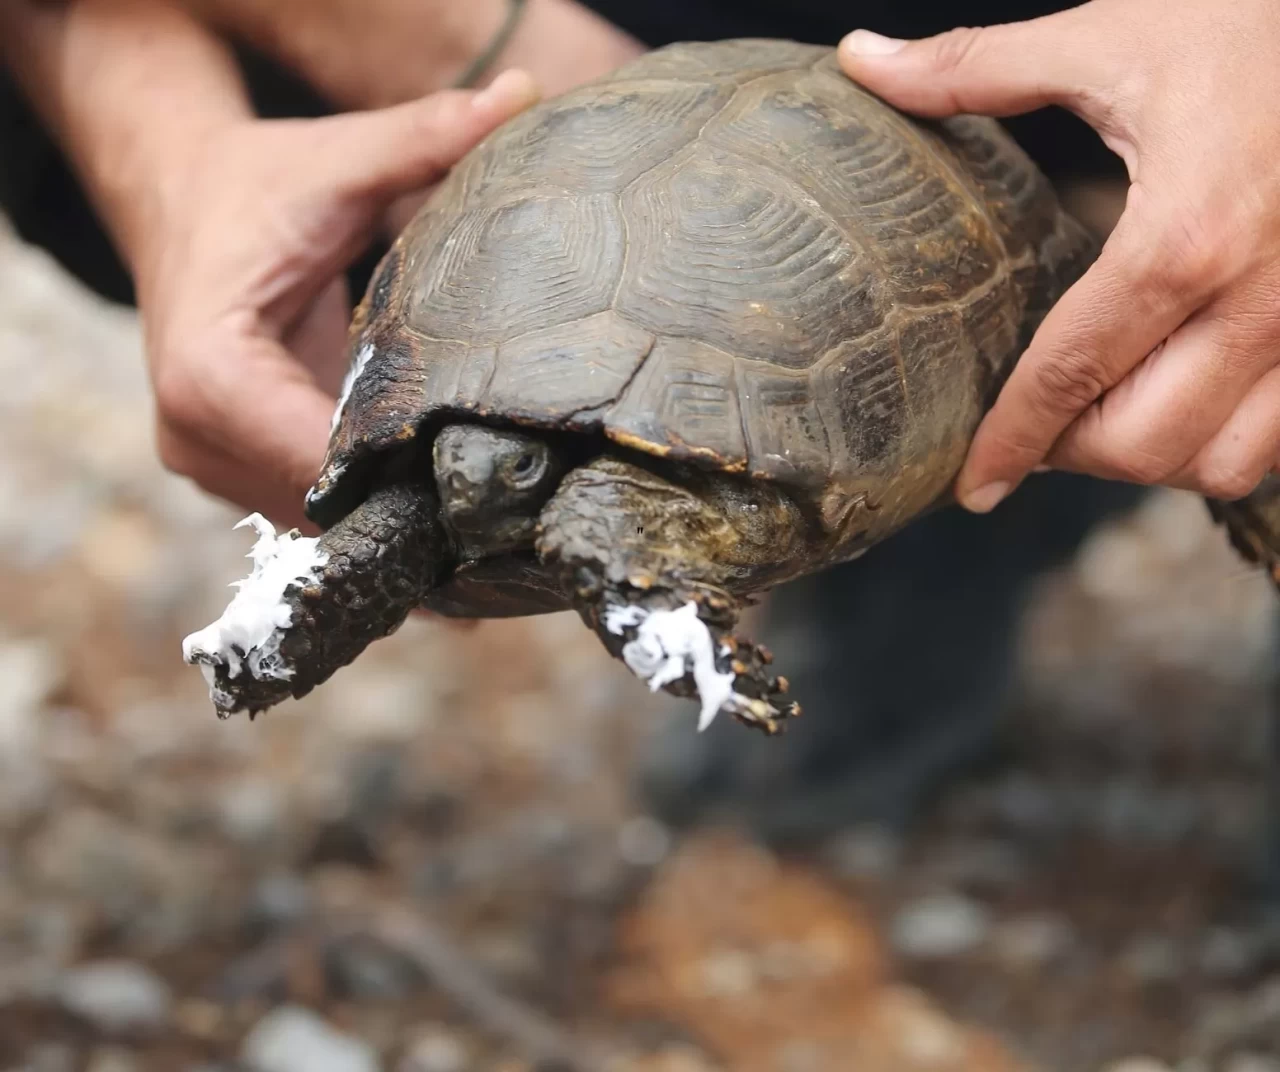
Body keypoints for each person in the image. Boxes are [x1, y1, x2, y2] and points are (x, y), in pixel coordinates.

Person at [1, 0, 1275, 843]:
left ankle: (1188, 411)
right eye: (461, 468)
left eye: (503, 472)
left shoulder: (596, 508)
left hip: (982, 126)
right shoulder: (451, 475)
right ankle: (938, 567)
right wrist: (164, 155)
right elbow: (422, 498)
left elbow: (593, 507)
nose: (470, 487)